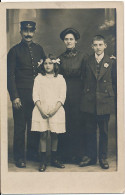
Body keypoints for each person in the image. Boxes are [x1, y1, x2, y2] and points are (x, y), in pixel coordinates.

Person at [7, 21, 46, 168]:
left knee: (34, 125)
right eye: (25, 31)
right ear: (21, 32)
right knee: (20, 127)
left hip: (37, 96)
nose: (28, 34)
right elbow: (9, 76)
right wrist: (14, 96)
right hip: (21, 96)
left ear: (34, 32)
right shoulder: (14, 51)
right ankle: (19, 157)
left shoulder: (39, 49)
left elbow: (44, 71)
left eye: (31, 31)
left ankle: (31, 153)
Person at [80, 35, 116, 169]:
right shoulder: (87, 60)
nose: (98, 47)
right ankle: (91, 157)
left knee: (104, 131)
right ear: (92, 46)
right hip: (89, 100)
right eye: (95, 45)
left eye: (100, 45)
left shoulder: (111, 62)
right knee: (90, 130)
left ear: (105, 46)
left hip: (105, 101)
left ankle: (103, 157)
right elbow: (83, 79)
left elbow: (115, 82)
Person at [31, 54, 66, 172]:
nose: (47, 65)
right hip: (41, 109)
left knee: (55, 134)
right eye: (45, 63)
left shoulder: (60, 78)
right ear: (42, 65)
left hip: (56, 110)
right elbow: (35, 95)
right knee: (43, 134)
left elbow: (62, 96)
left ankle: (54, 159)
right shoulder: (39, 78)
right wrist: (41, 110)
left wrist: (54, 110)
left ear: (55, 64)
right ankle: (43, 160)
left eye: (50, 63)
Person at [58, 28, 84, 163]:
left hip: (78, 93)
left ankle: (78, 155)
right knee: (64, 123)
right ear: (64, 41)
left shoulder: (82, 57)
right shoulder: (60, 58)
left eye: (71, 39)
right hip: (64, 93)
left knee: (77, 123)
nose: (69, 41)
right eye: (66, 39)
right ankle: (65, 155)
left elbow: (86, 77)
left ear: (76, 41)